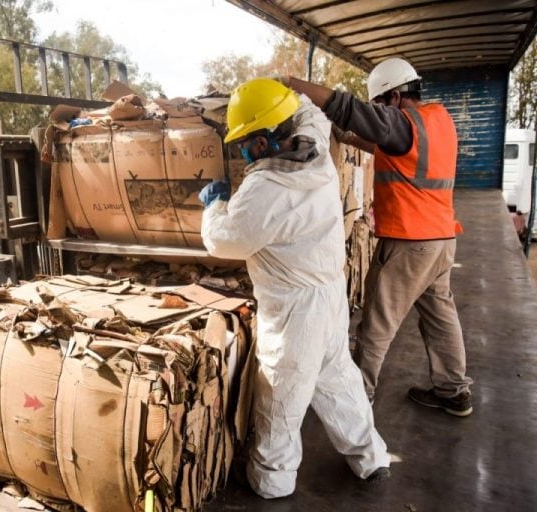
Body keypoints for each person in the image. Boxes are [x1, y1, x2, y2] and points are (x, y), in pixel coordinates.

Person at [199, 78, 390, 499]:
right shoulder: (315, 148)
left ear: (267, 140)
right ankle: (371, 456)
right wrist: (282, 89)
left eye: (246, 142)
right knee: (338, 377)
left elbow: (225, 240)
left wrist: (213, 205)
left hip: (293, 314)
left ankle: (272, 481)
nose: (243, 152)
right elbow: (311, 111)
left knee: (280, 396)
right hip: (329, 294)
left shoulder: (265, 190)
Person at [281, 57, 474, 417]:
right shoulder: (438, 121)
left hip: (409, 244)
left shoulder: (404, 122)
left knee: (376, 325)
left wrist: (293, 83)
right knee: (440, 315)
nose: (377, 112)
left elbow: (347, 107)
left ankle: (356, 401)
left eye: (379, 105)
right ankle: (453, 391)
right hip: (441, 240)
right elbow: (391, 147)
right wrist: (349, 137)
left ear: (396, 97)